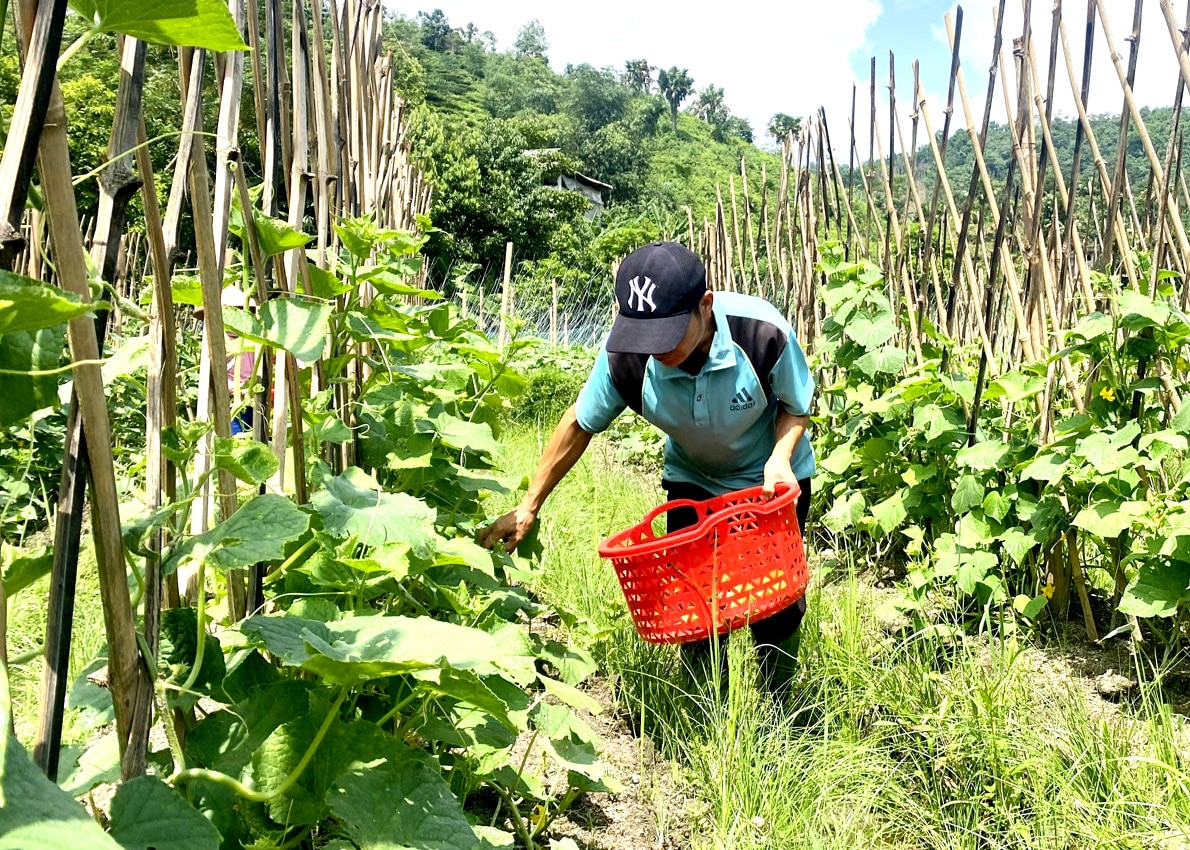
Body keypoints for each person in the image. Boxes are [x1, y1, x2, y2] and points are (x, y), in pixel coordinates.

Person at [477, 241, 815, 691]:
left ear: (705, 306)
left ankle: (781, 707)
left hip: (768, 481)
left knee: (773, 603)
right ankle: (707, 710)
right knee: (698, 605)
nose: (656, 350)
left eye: (669, 333)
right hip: (693, 481)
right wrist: (528, 505)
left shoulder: (761, 333)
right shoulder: (627, 355)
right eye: (646, 336)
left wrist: (779, 457)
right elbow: (579, 423)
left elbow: (797, 405)